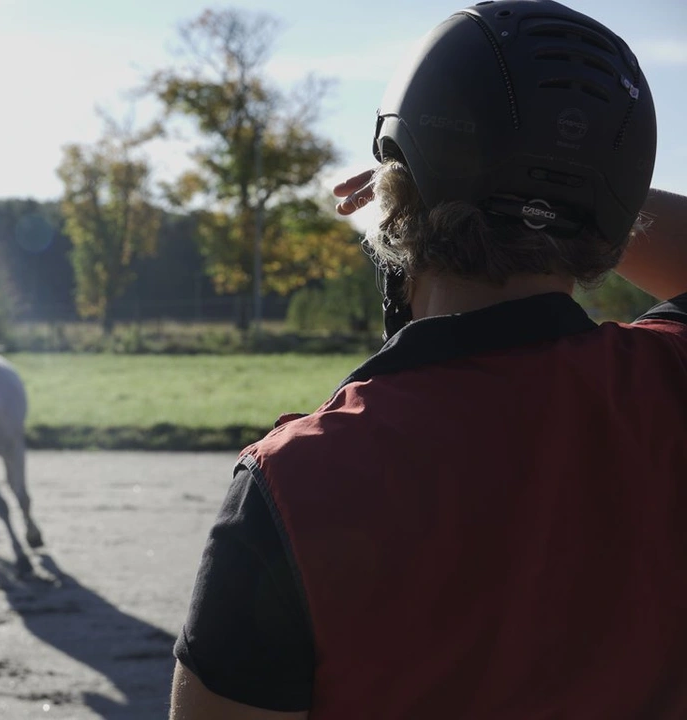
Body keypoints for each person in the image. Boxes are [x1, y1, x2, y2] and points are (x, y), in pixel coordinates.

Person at [169, 1, 687, 718]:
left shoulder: (295, 481)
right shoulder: (669, 384)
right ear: (619, 205)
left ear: (398, 198)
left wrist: (446, 179)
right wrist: (579, 193)